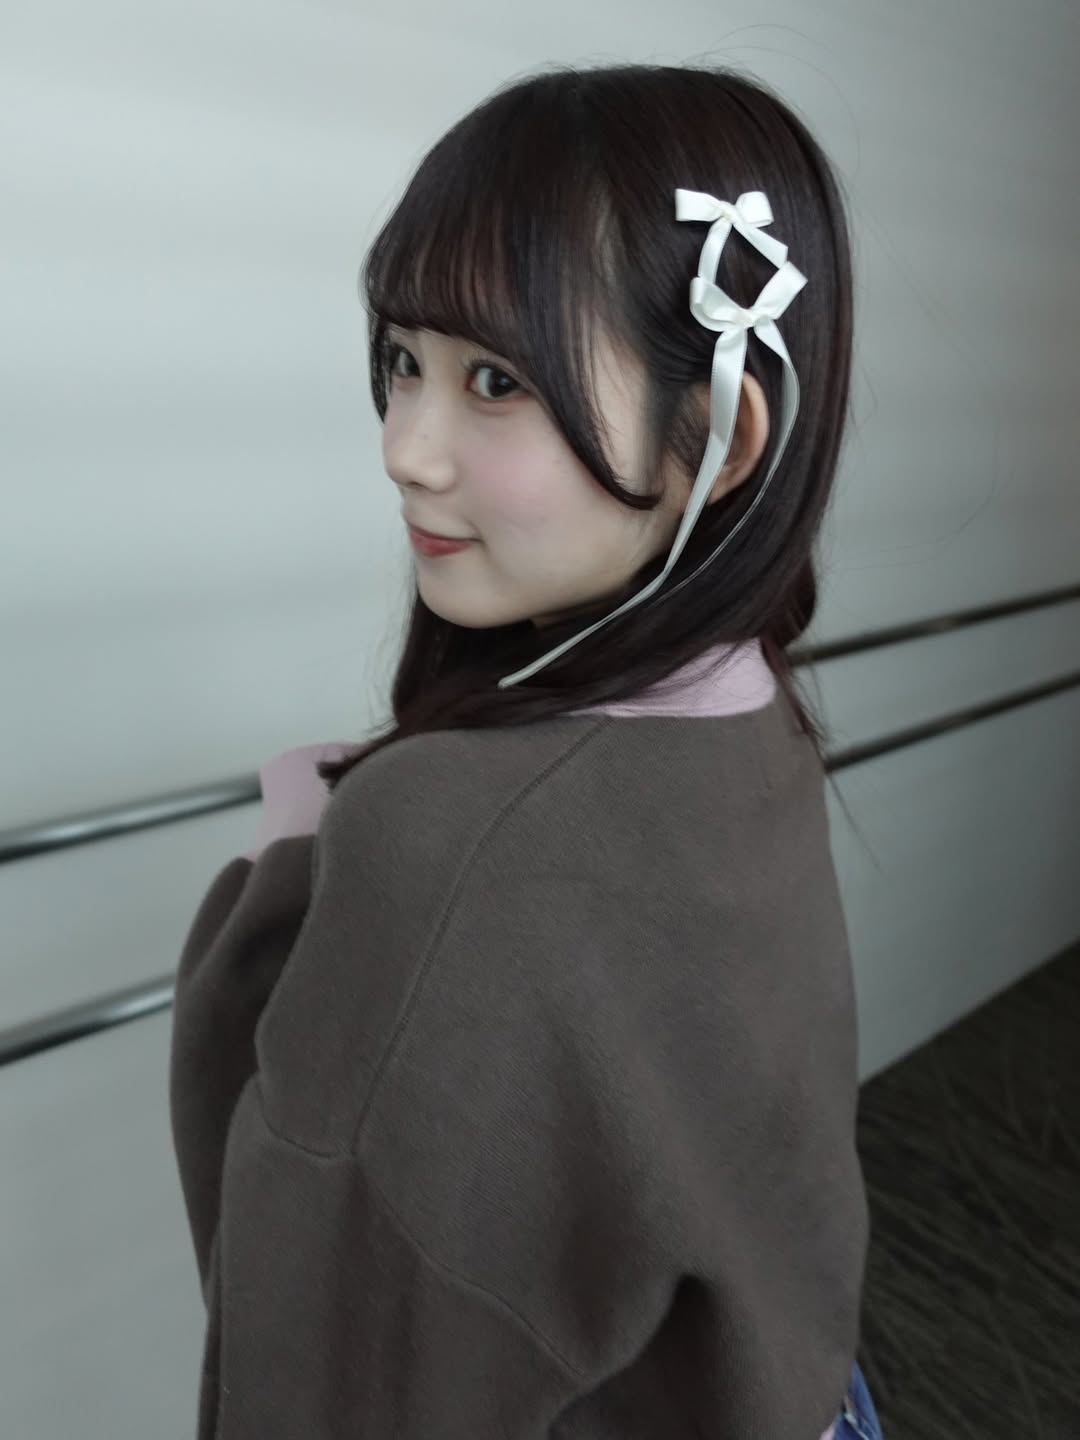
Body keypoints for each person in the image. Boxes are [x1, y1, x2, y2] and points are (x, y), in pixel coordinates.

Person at [168, 61, 885, 1440]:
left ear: (717, 434)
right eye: (403, 361)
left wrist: (294, 870)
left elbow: (318, 1355)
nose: (406, 448)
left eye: (494, 379)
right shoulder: (749, 700)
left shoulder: (450, 842)